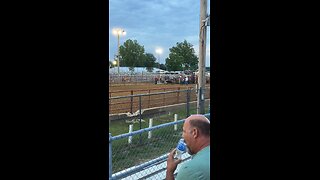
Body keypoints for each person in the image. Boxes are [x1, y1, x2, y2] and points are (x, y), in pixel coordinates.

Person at [166, 114, 210, 180]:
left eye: (184, 131)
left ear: (194, 133)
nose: (182, 136)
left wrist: (169, 172)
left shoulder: (190, 169)